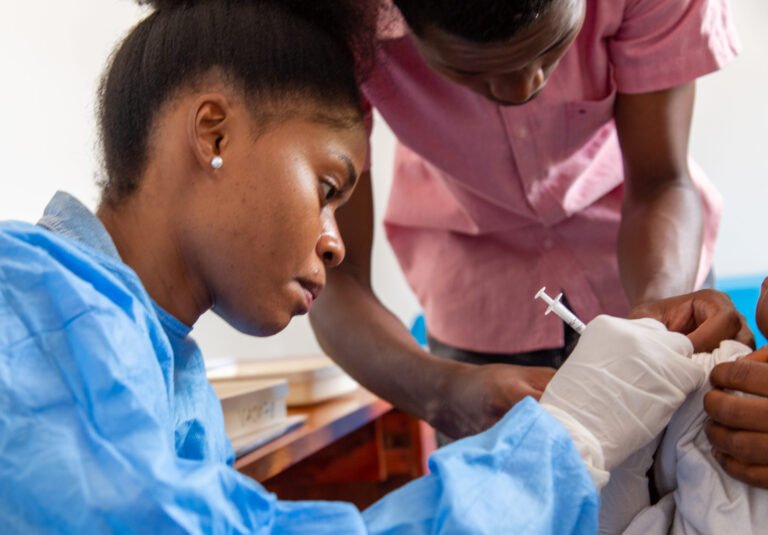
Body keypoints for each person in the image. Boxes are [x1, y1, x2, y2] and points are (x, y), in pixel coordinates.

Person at [0, 0, 687, 532]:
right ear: (214, 132)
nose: (335, 244)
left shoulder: (161, 370)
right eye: (328, 188)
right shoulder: (32, 300)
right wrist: (563, 444)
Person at [308, 0, 751, 445]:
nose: (523, 89)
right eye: (472, 72)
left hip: (654, 257)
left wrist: (660, 317)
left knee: (690, 468)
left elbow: (659, 180)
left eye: (552, 47)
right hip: (476, 309)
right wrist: (444, 392)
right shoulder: (334, 22)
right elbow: (336, 278)